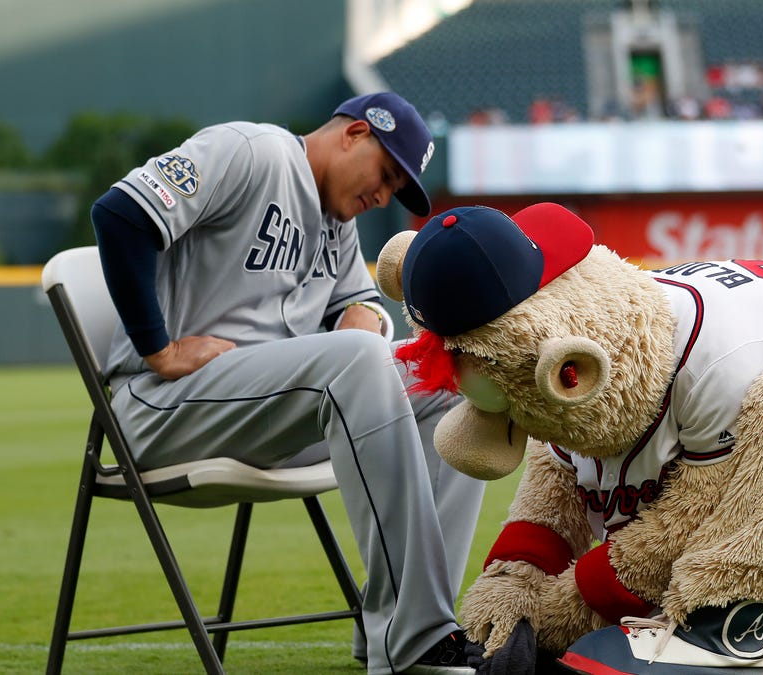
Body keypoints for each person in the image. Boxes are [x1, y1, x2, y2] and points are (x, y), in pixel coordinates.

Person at [88, 91, 484, 675]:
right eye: (386, 172)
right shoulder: (251, 151)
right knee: (356, 359)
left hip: (262, 411)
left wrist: (367, 318)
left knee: (445, 381)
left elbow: (362, 308)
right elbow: (119, 213)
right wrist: (161, 350)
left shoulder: (336, 222)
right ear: (354, 132)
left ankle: (406, 629)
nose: (383, 196)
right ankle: (419, 636)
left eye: (396, 189)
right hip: (160, 409)